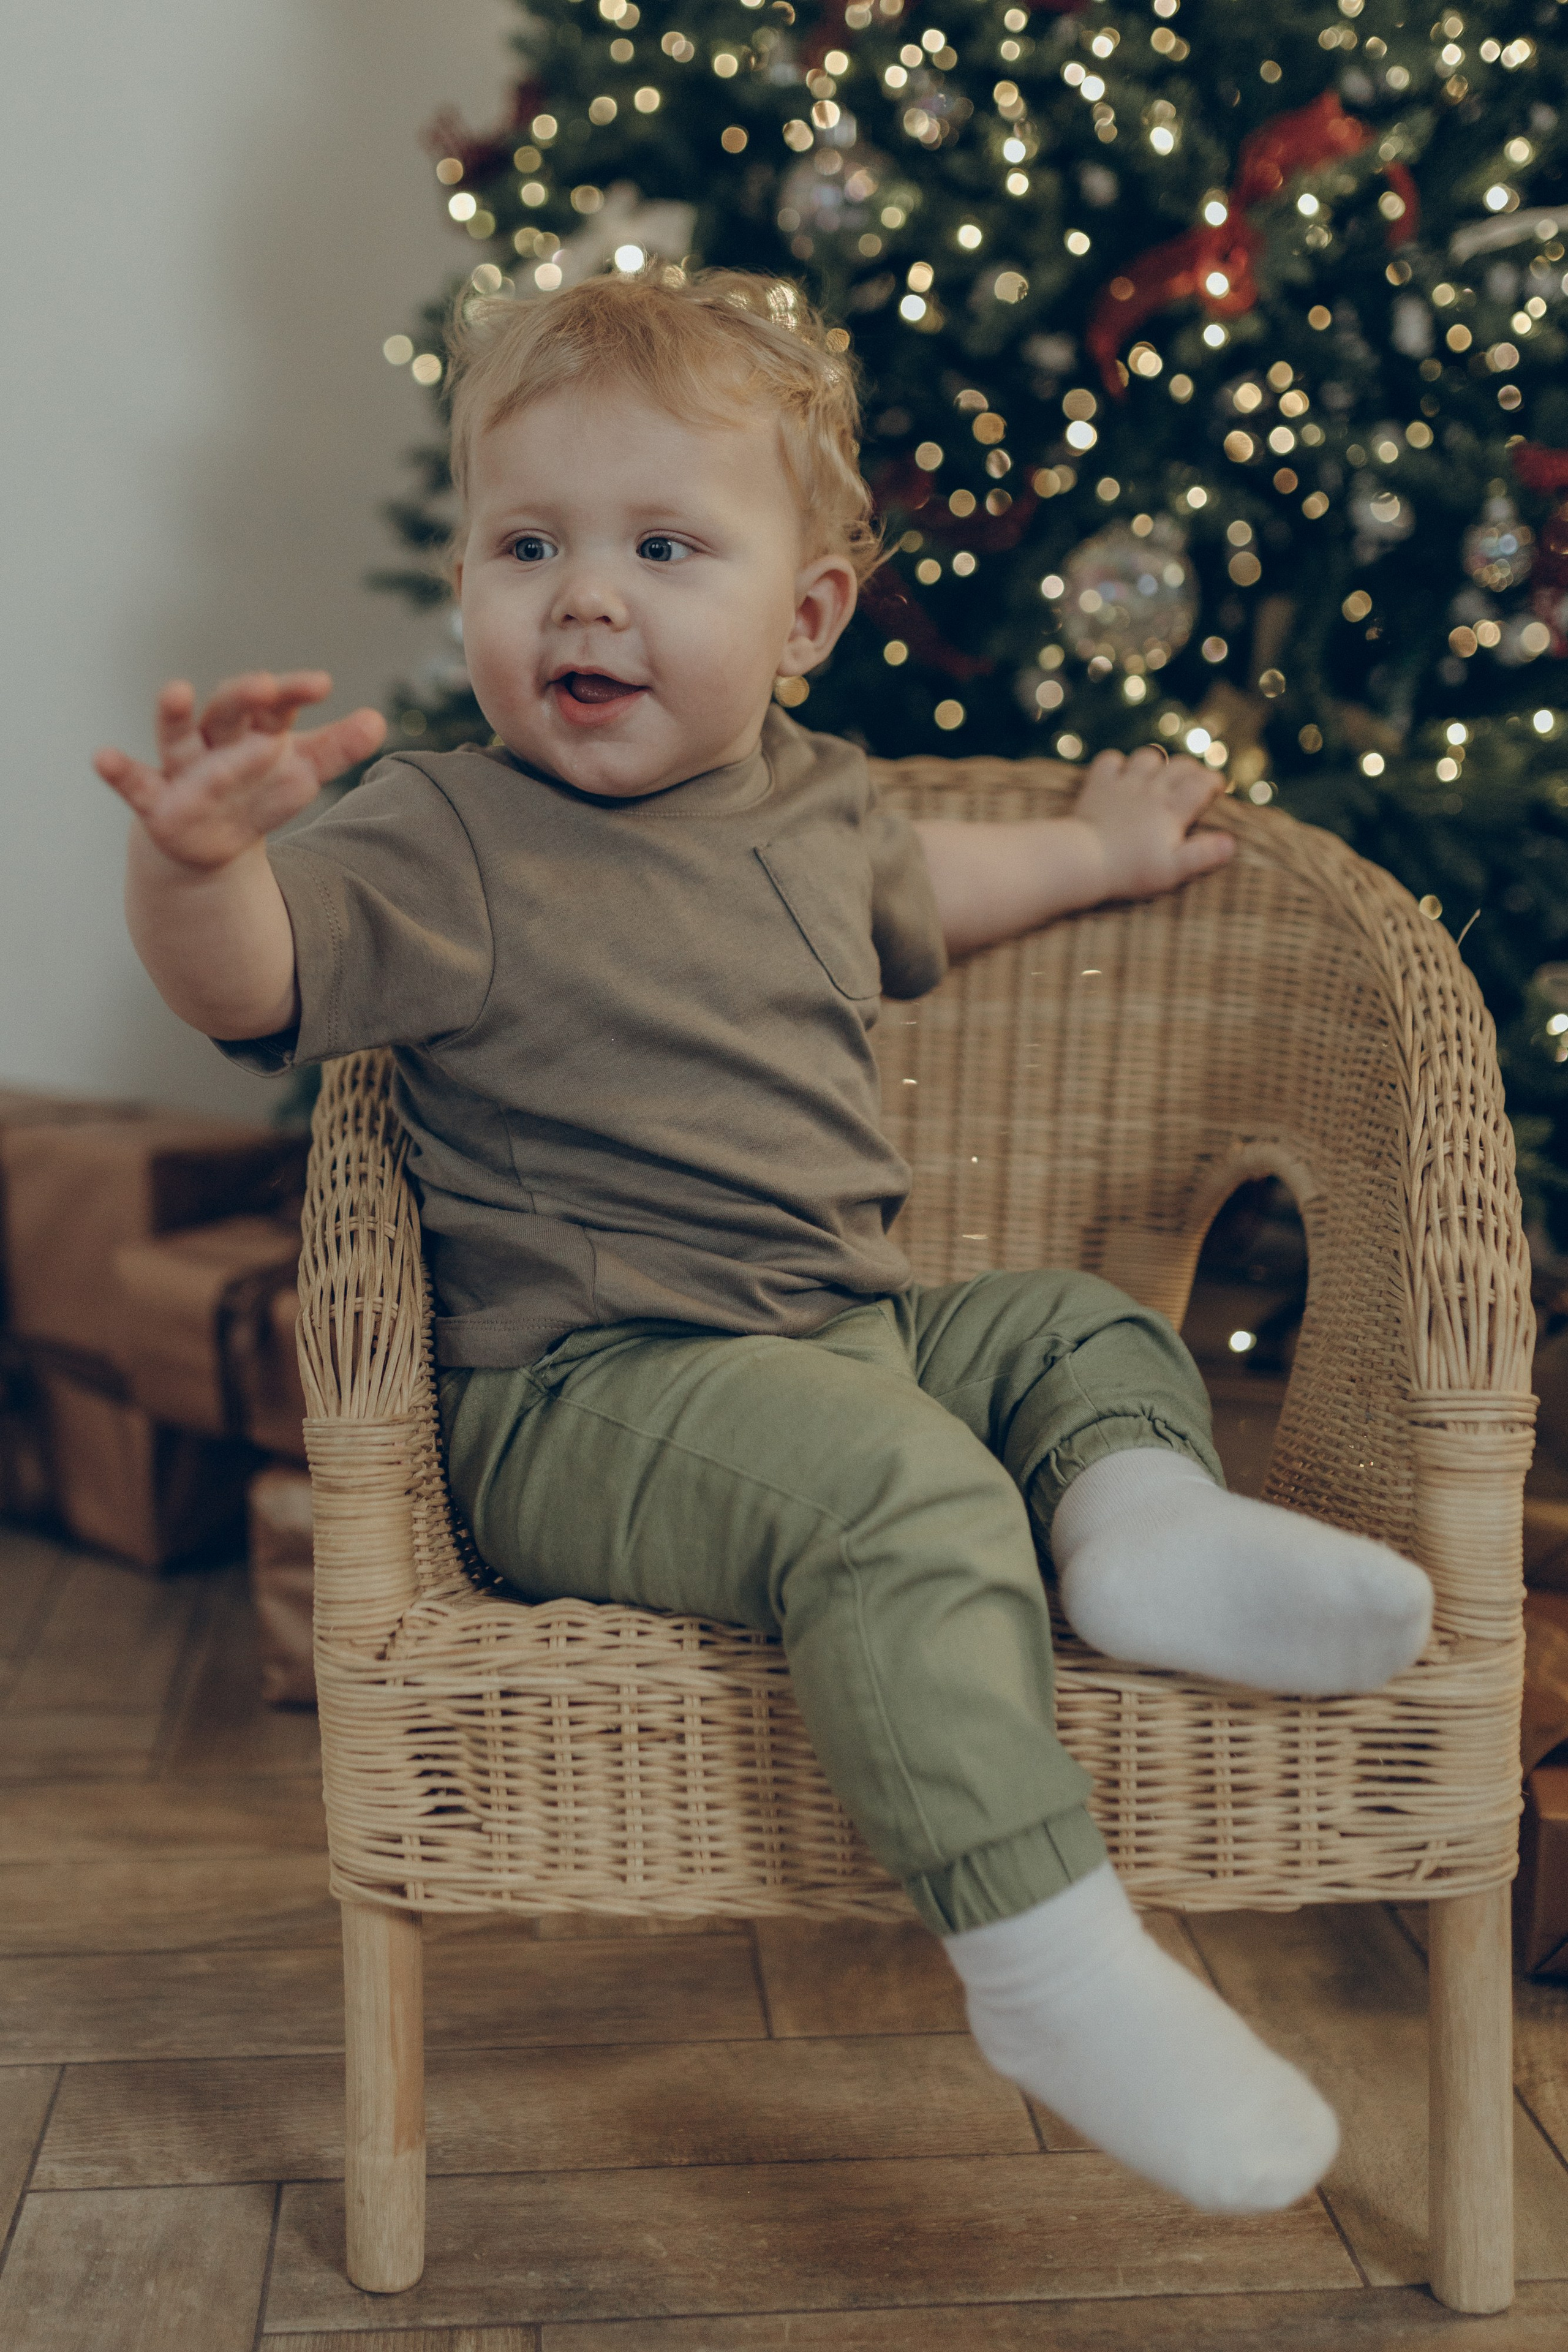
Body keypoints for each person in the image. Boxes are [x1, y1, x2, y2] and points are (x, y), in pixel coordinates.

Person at [99, 267, 1433, 2216]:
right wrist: (192, 869)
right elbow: (253, 973)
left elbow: (933, 885)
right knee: (897, 1491)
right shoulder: (443, 831)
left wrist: (1102, 852)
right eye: (527, 541)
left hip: (839, 1331)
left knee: (1064, 1329)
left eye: (662, 544)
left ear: (803, 615)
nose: (585, 595)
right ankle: (1052, 1968)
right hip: (581, 1394)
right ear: (466, 571)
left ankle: (1139, 1540)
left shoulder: (816, 804)